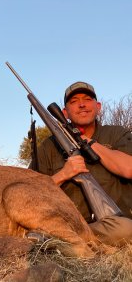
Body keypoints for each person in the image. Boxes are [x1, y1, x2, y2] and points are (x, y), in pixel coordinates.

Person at [37, 81, 132, 246]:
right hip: (68, 224)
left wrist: (86, 142)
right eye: (73, 102)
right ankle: (66, 239)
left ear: (98, 106)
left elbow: (128, 169)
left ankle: (59, 242)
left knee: (125, 229)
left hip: (117, 223)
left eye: (87, 99)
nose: (81, 105)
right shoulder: (48, 147)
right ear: (64, 113)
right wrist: (63, 174)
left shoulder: (117, 133)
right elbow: (32, 192)